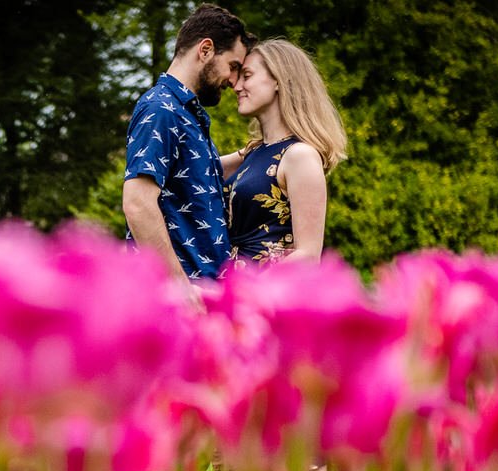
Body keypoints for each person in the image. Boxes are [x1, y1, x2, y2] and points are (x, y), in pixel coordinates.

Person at [122, 5, 255, 286]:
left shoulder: (183, 112)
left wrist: (252, 153)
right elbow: (137, 203)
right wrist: (180, 286)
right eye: (233, 67)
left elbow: (194, 177)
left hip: (201, 291)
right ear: (205, 49)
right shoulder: (161, 108)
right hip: (178, 297)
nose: (233, 82)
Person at [220, 38, 347, 270]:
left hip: (268, 296)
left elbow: (308, 255)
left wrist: (249, 292)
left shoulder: (300, 155)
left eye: (247, 76)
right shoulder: (254, 152)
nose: (237, 87)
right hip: (233, 289)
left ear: (279, 81)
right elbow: (203, 170)